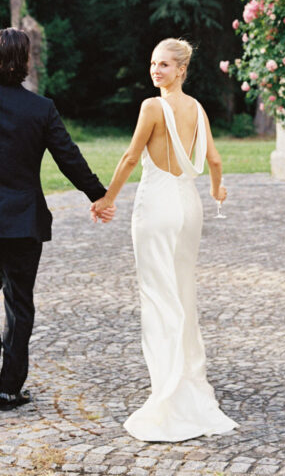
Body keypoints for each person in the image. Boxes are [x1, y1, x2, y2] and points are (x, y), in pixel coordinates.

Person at [0, 27, 114, 412]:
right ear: (26, 62)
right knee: (19, 301)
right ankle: (9, 390)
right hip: (23, 220)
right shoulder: (41, 108)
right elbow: (69, 158)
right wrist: (98, 195)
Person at [90, 38, 237, 442]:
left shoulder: (152, 107)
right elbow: (215, 160)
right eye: (153, 63)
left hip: (156, 207)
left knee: (158, 294)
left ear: (181, 70)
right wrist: (217, 190)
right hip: (189, 207)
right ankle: (187, 377)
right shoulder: (197, 108)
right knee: (183, 292)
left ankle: (169, 389)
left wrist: (107, 199)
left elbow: (131, 158)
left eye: (165, 65)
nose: (156, 70)